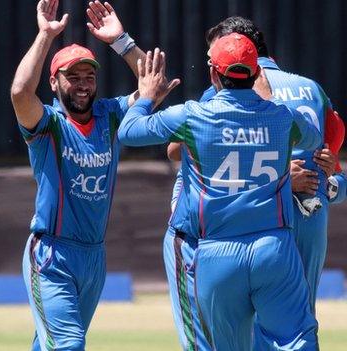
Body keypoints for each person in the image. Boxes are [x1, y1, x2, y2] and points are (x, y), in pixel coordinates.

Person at [118, 33, 320, 350]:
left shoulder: (193, 115)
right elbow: (312, 136)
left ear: (214, 74)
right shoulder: (282, 116)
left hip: (217, 252)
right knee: (297, 340)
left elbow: (128, 131)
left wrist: (146, 96)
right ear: (255, 74)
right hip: (273, 248)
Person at [164, 16, 345, 350]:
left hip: (262, 222)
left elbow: (177, 149)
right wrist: (330, 184)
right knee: (297, 327)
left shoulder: (227, 87)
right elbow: (333, 149)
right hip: (310, 219)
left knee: (252, 328)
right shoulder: (313, 89)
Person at [10, 1, 179, 349]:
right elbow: (19, 93)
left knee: (51, 345)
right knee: (68, 345)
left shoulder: (111, 114)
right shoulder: (48, 124)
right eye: (73, 78)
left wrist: (121, 41)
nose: (83, 85)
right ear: (55, 82)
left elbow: (153, 87)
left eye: (89, 77)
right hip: (51, 255)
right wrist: (45, 36)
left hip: (93, 257)